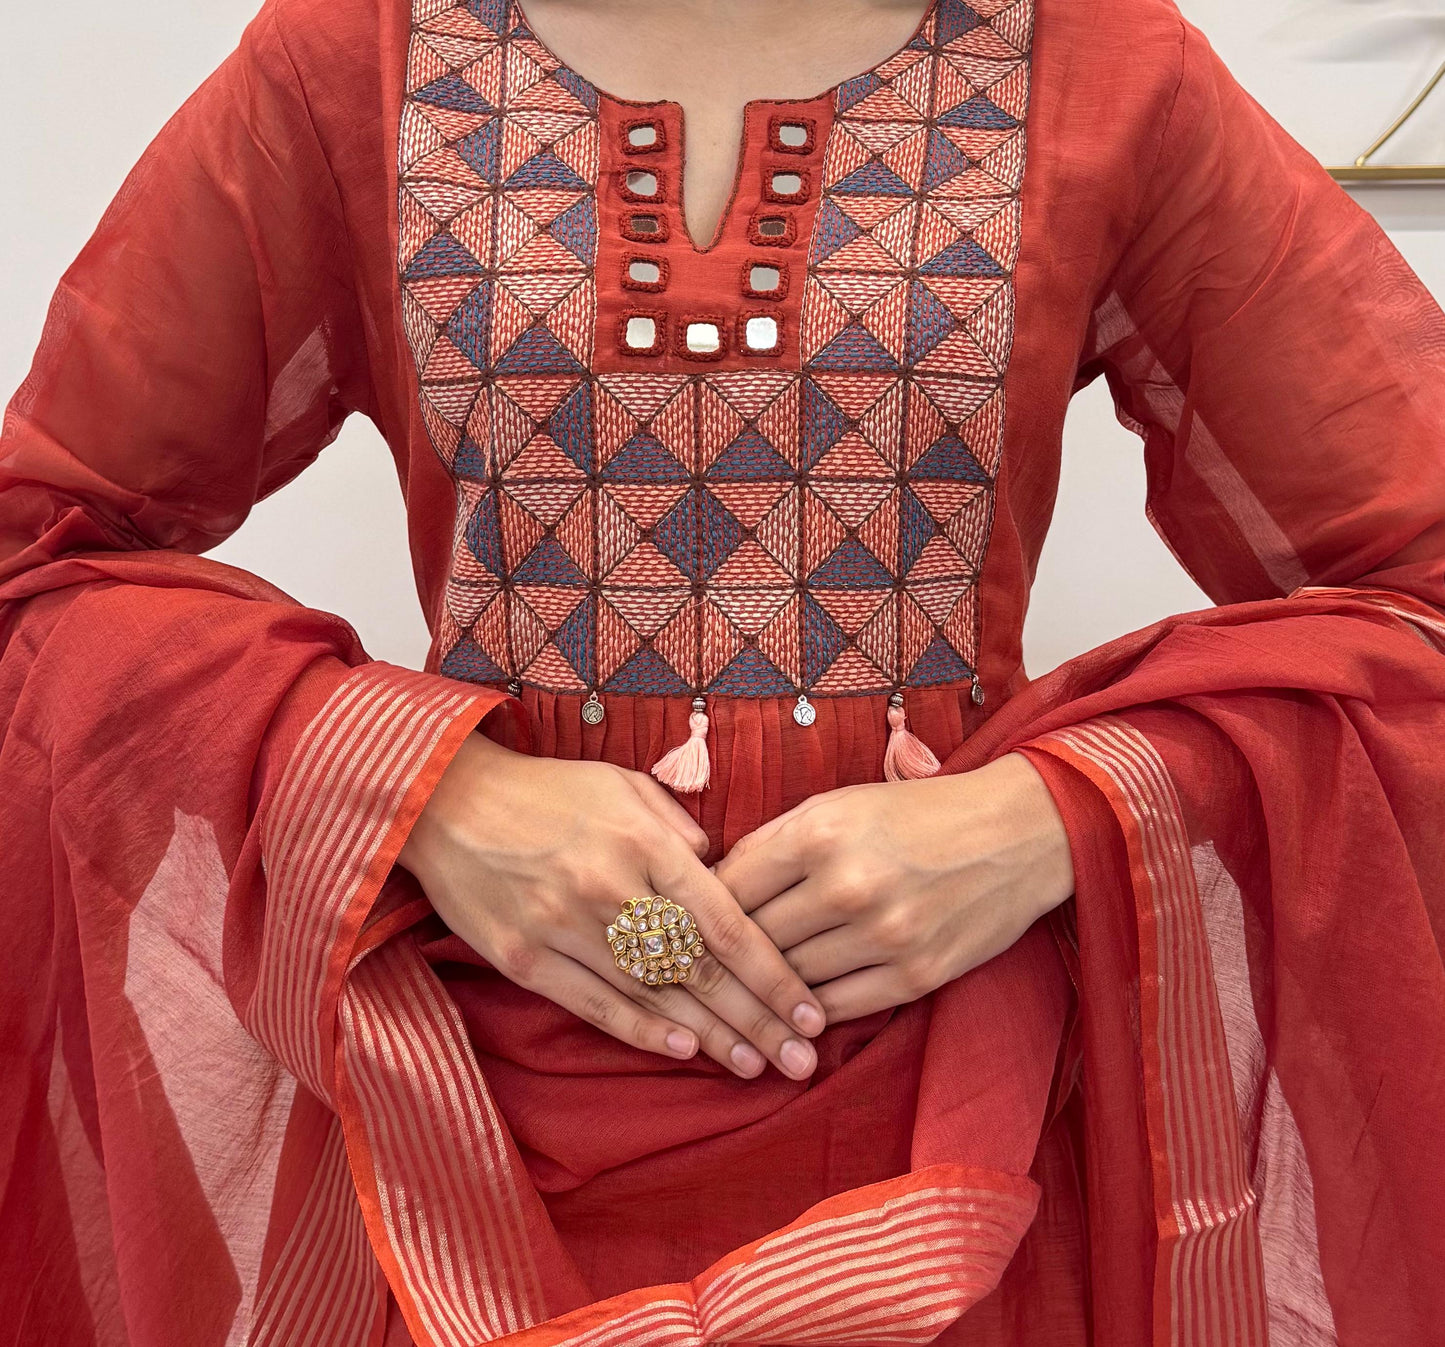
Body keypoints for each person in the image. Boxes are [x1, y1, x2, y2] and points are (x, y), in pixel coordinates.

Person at [2, 0, 1442, 1340]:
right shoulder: (358, 55)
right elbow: (39, 559)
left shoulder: (1090, 66)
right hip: (460, 1119)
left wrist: (1046, 818)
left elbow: (1419, 591)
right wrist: (424, 792)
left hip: (963, 1112)